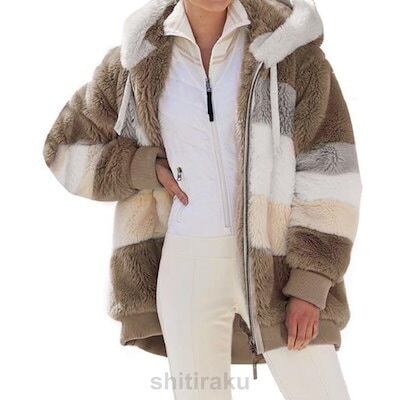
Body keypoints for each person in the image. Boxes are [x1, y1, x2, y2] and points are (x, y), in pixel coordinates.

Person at [43, 0, 362, 399]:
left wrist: (312, 281)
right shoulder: (137, 60)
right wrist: (141, 168)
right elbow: (63, 148)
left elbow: (331, 169)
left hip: (277, 266)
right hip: (187, 266)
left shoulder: (288, 49)